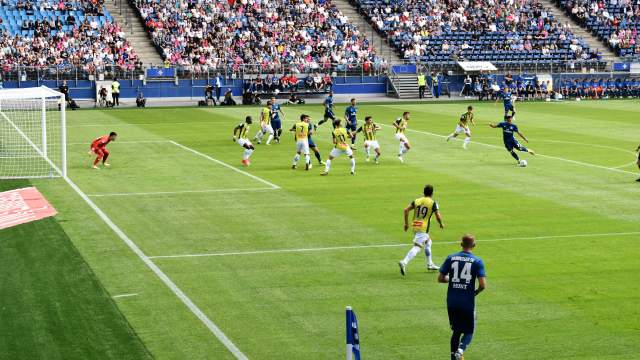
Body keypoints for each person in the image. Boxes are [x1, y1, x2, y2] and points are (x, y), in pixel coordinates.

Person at [438, 234, 487, 360]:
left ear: (461, 244)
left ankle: (453, 357)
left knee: (456, 331)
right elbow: (483, 285)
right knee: (470, 330)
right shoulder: (477, 261)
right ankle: (460, 350)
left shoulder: (451, 257)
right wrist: (475, 292)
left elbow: (440, 278)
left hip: (452, 301)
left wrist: (454, 280)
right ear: (474, 245)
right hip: (467, 302)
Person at [398, 184, 444, 275]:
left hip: (415, 226)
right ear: (432, 193)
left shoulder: (417, 200)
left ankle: (430, 264)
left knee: (428, 242)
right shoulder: (433, 203)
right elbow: (438, 215)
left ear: (423, 192)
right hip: (423, 228)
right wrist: (441, 223)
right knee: (417, 247)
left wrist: (406, 224)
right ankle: (404, 262)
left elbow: (406, 210)